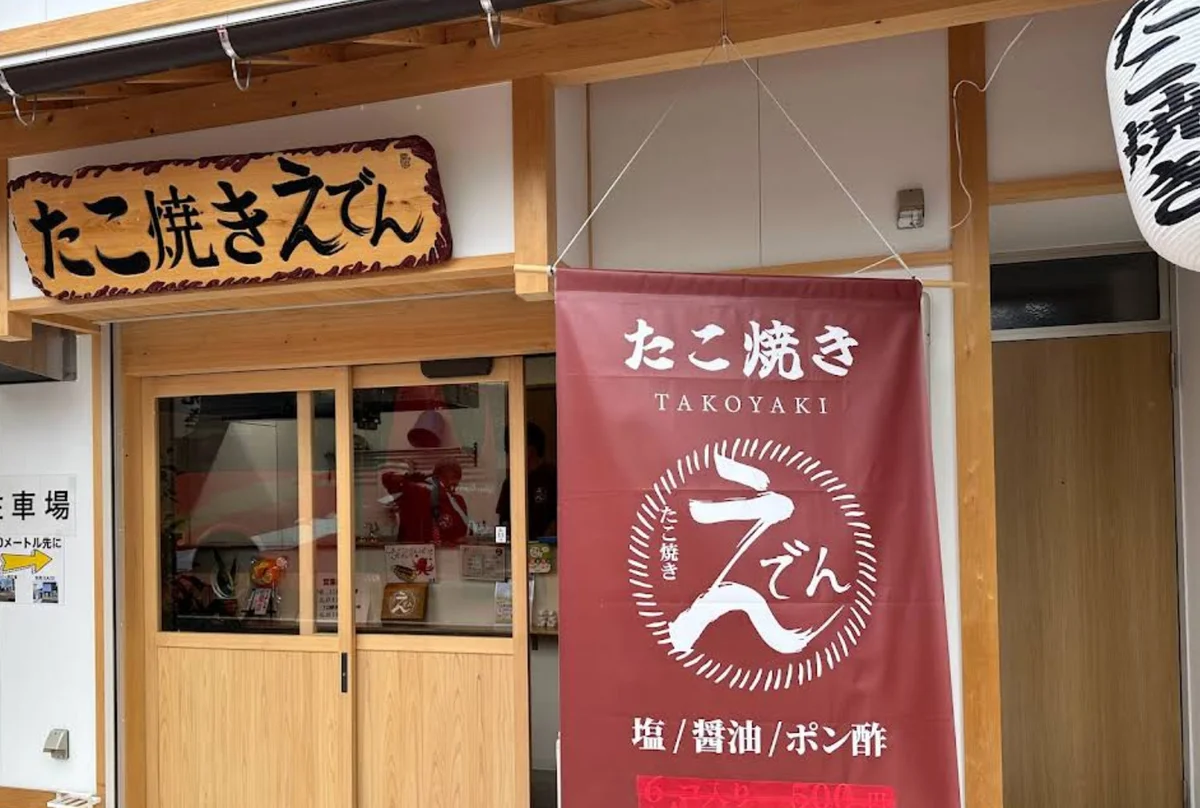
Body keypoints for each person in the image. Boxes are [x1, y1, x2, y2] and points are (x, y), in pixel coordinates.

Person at [497, 422, 557, 539]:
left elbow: (565, 515)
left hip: (549, 547)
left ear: (530, 449)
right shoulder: (510, 482)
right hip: (518, 548)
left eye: (510, 449)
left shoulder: (554, 477)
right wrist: (501, 542)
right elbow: (503, 521)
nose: (509, 455)